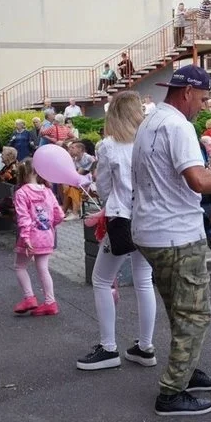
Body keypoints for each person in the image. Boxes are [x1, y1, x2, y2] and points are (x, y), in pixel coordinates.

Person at [131, 65, 211, 416]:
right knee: (195, 314)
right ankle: (172, 392)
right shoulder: (179, 126)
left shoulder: (150, 122)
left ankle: (186, 368)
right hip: (177, 234)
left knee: (178, 308)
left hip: (151, 230)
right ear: (187, 93)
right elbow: (198, 181)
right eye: (202, 99)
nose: (203, 106)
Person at [76, 92, 158, 370]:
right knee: (144, 280)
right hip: (147, 217)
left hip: (121, 217)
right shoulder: (149, 142)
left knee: (101, 279)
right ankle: (145, 346)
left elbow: (104, 187)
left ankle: (109, 347)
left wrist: (105, 203)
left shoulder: (108, 146)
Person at [11, 157, 65, 317]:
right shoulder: (48, 191)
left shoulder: (22, 192)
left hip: (30, 236)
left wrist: (26, 237)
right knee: (43, 268)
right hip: (46, 235)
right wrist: (50, 226)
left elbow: (23, 217)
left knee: (20, 266)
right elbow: (59, 215)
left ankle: (29, 298)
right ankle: (50, 302)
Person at [61, 141, 95, 220]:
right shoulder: (75, 159)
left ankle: (74, 212)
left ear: (80, 149)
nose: (70, 149)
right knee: (67, 186)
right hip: (80, 181)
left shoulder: (88, 157)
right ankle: (65, 211)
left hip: (89, 182)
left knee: (73, 187)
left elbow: (95, 166)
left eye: (73, 148)